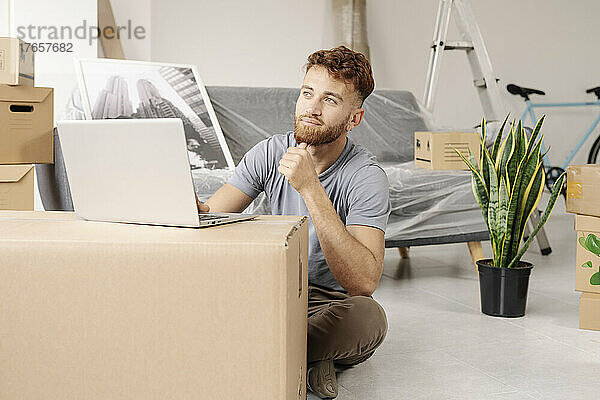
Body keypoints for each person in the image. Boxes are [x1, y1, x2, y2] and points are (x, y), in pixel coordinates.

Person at [197, 46, 390, 399]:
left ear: (354, 118)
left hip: (330, 304)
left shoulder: (366, 176)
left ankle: (262, 348)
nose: (312, 108)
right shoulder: (269, 152)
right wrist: (186, 206)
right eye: (307, 93)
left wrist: (310, 188)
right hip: (272, 293)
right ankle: (314, 359)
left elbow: (363, 281)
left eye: (330, 100)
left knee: (368, 317)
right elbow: (212, 216)